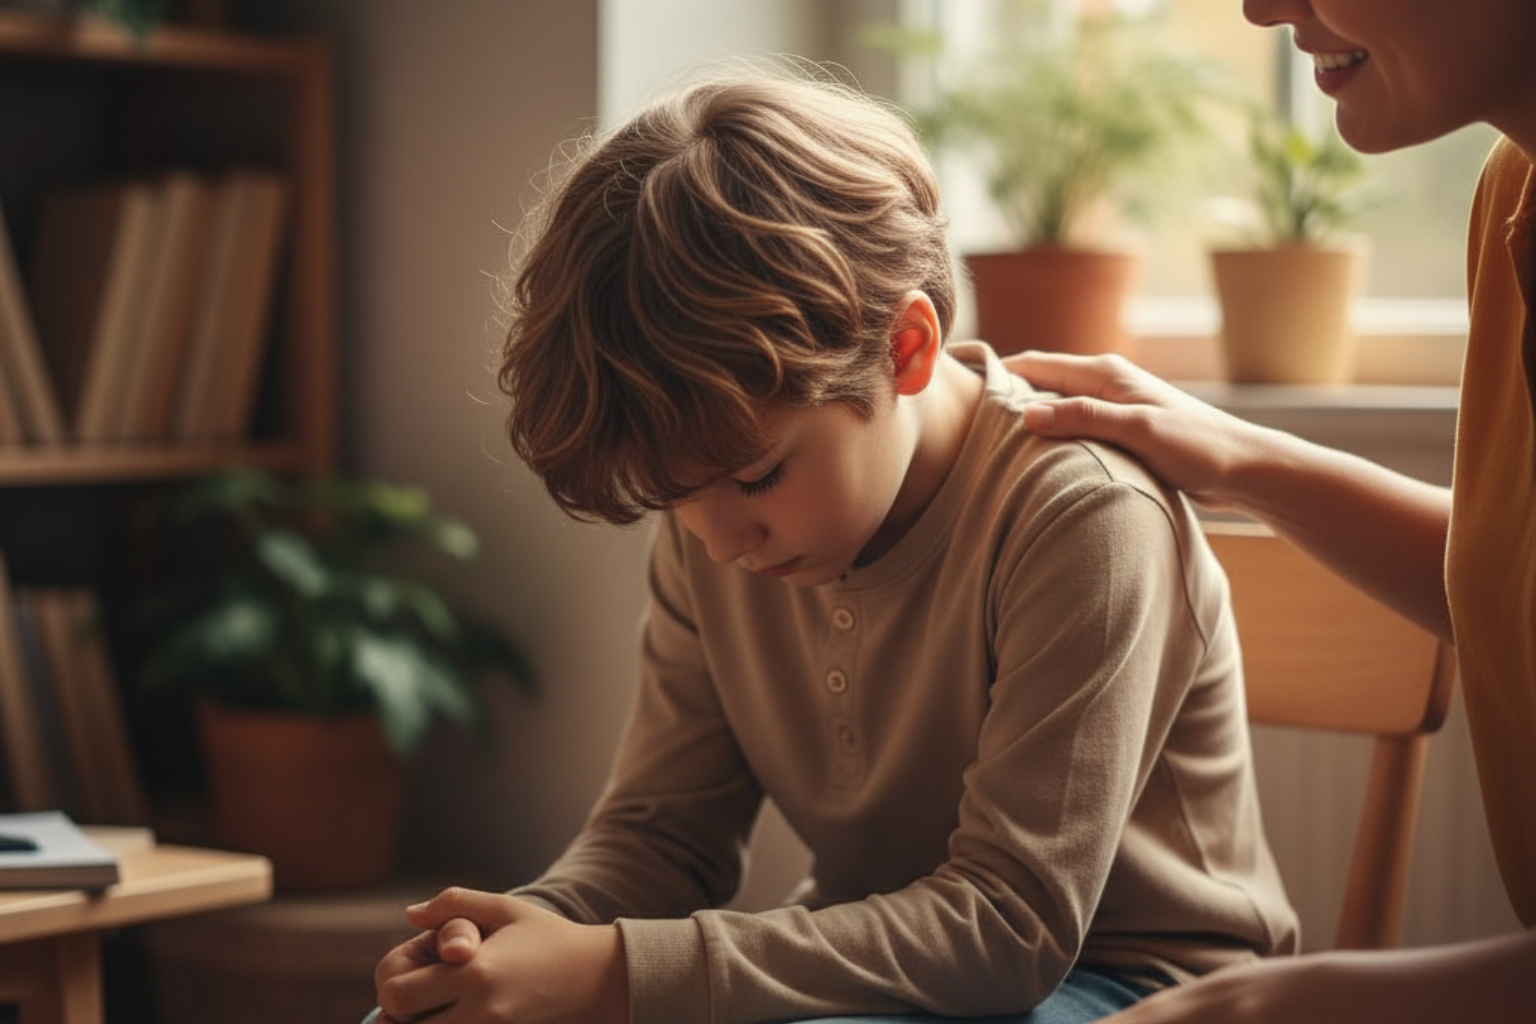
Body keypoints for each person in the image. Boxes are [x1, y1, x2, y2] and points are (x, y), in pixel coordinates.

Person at [366, 65, 1299, 1024]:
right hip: (893, 986)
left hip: (1141, 987)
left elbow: (1007, 928)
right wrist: (516, 943)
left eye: (756, 477)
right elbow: (663, 835)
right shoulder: (717, 522)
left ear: (905, 349)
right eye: (675, 499)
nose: (720, 542)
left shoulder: (1083, 514)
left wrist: (613, 971)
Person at [1001, 1, 1536, 1021]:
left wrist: (1281, 1005)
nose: (1259, 6)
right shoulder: (1514, 190)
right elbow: (1511, 583)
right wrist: (1240, 455)